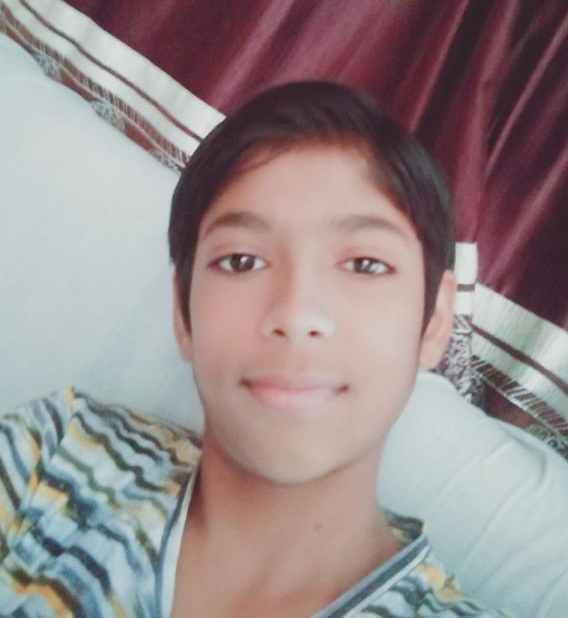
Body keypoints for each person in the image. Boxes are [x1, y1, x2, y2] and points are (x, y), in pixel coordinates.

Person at [0, 81, 509, 617]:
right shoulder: (53, 457)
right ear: (183, 311)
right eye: (241, 261)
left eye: (365, 264)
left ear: (434, 321)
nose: (295, 314)